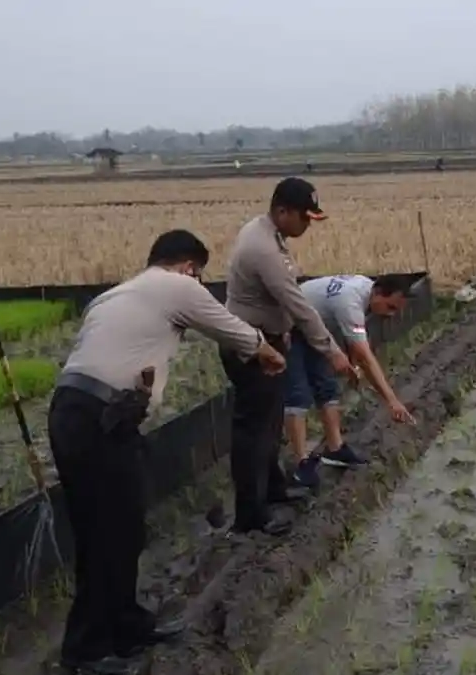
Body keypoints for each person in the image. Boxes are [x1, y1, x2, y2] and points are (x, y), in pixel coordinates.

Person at [48, 230, 286, 674]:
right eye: (198, 274)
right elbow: (228, 325)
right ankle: (86, 652)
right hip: (99, 418)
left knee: (120, 528)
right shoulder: (177, 286)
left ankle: (127, 625)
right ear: (189, 267)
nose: (197, 282)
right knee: (108, 534)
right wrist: (265, 351)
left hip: (78, 414)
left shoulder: (113, 296)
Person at [222, 177, 353, 536]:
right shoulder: (262, 248)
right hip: (251, 348)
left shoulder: (270, 234)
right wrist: (332, 351)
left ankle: (274, 490)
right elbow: (297, 305)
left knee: (270, 422)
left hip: (269, 342)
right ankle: (250, 516)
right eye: (304, 218)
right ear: (282, 211)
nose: (308, 225)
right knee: (253, 431)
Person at [286, 273, 418, 488]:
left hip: (314, 327)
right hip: (287, 325)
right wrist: (392, 400)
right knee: (298, 394)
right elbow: (366, 357)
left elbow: (353, 342)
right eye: (390, 307)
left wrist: (351, 363)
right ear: (377, 293)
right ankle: (301, 464)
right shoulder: (350, 303)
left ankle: (335, 449)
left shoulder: (365, 289)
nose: (391, 315)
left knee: (327, 387)